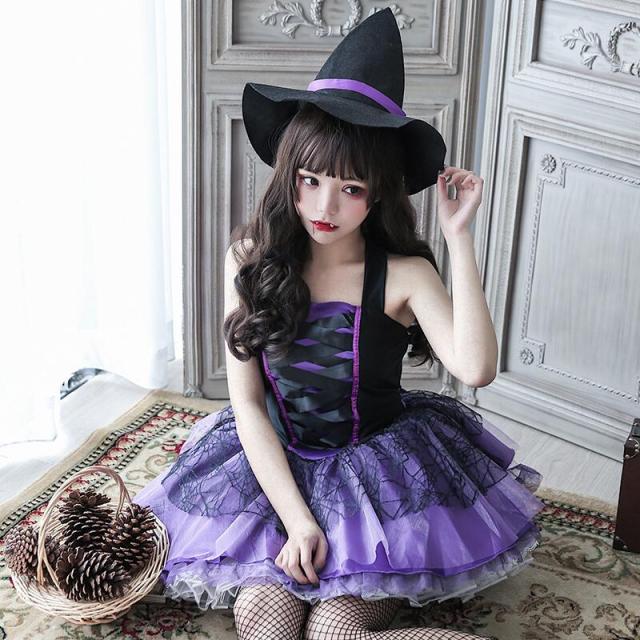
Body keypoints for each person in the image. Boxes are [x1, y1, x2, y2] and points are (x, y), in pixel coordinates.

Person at [133, 8, 545, 639]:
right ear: (289, 175)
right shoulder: (249, 258)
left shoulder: (404, 275)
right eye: (311, 180)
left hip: (376, 487)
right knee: (268, 626)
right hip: (271, 479)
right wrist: (298, 521)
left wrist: (458, 237)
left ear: (379, 193)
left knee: (334, 631)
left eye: (351, 188)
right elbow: (247, 406)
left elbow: (476, 367)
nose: (325, 206)